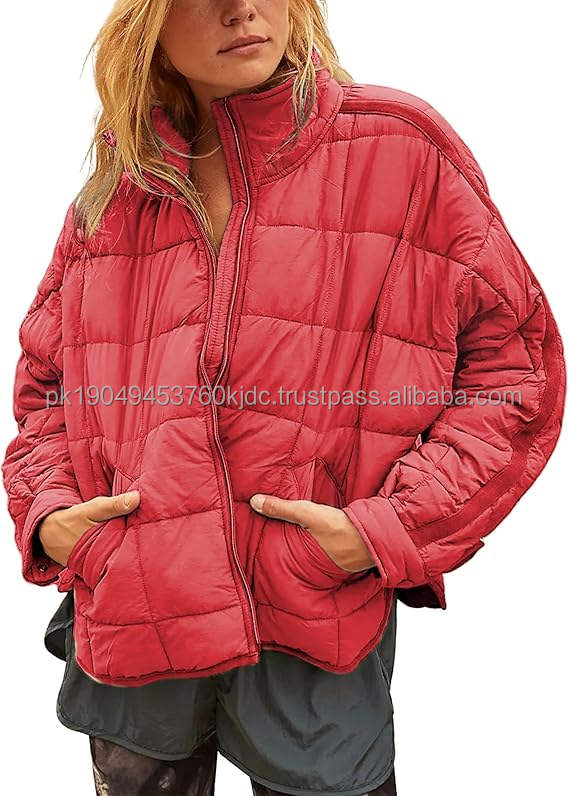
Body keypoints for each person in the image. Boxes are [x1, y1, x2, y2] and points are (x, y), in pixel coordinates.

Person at [2, 1, 565, 795]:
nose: (241, 8)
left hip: (312, 613)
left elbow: (513, 372)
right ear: (148, 23)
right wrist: (54, 516)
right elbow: (46, 387)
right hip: (133, 610)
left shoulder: (397, 147)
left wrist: (386, 528)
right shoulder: (118, 188)